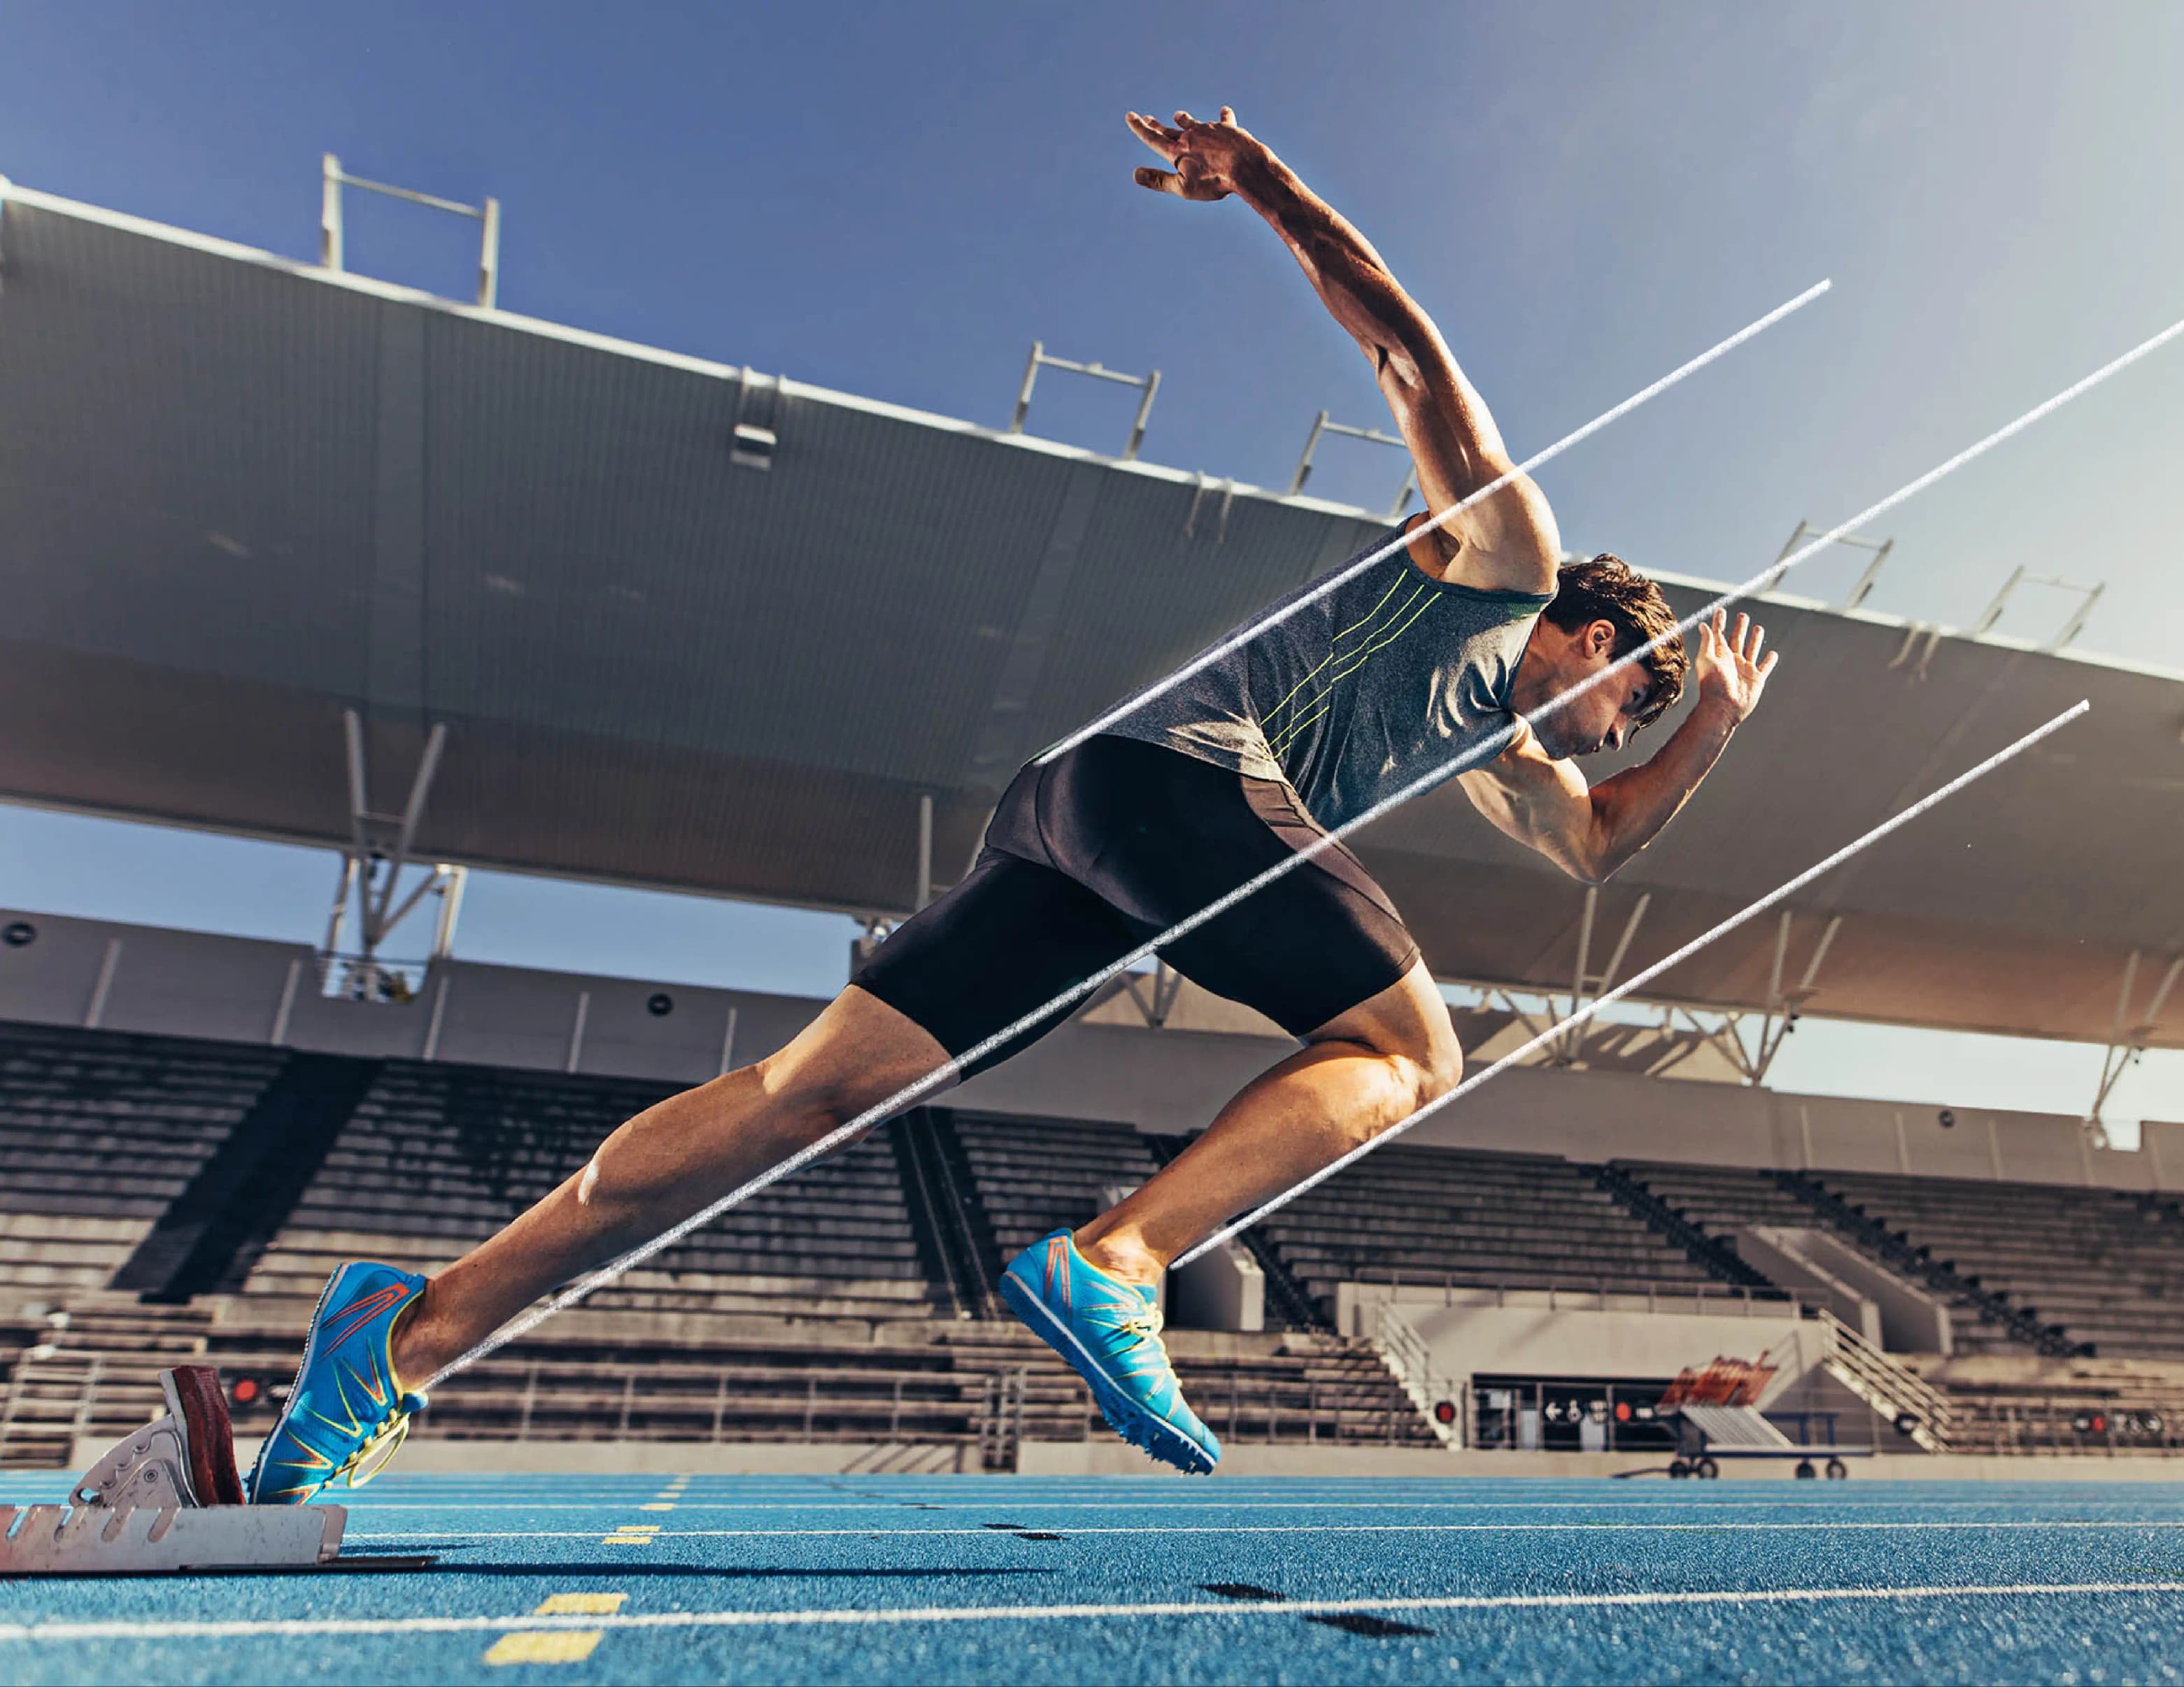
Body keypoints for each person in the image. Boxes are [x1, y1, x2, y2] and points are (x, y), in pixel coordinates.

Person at [246, 107, 1776, 1497]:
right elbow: (1408, 355)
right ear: (1593, 627)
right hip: (1177, 781)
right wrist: (1268, 189)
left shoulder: (1499, 750)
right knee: (1408, 1048)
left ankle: (399, 1341)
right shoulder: (1505, 556)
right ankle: (1120, 1262)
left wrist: (1705, 724)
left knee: (803, 1098)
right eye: (1637, 688)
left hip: (1080, 827)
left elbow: (1600, 840)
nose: (1623, 723)